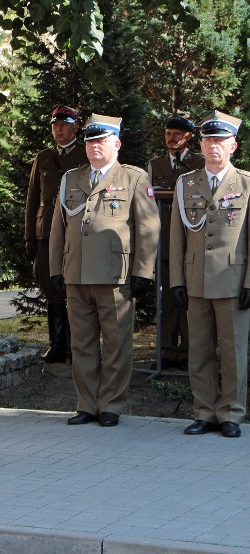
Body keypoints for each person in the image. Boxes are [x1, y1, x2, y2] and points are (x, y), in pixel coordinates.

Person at [49, 114, 159, 427]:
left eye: (102, 141)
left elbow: (149, 227)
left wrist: (144, 272)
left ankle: (111, 404)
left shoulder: (133, 178)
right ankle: (87, 403)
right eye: (90, 141)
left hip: (116, 275)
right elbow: (59, 226)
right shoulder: (71, 178)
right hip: (77, 273)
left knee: (115, 343)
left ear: (117, 143)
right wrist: (56, 268)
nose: (95, 147)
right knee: (80, 344)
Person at [169, 111, 247, 438]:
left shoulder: (246, 184)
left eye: (220, 141)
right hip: (196, 279)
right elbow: (176, 236)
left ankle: (231, 412)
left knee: (233, 354)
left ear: (234, 146)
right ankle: (204, 411)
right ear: (200, 144)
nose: (213, 146)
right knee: (198, 351)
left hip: (232, 280)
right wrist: (176, 279)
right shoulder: (186, 184)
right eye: (208, 140)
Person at [25, 106, 88, 364]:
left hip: (75, 231)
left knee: (74, 289)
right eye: (55, 125)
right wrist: (29, 235)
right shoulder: (43, 157)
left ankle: (76, 347)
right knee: (51, 290)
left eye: (64, 124)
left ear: (75, 127)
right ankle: (57, 345)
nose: (58, 129)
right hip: (46, 231)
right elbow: (32, 199)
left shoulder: (86, 154)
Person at [146, 115, 204, 369]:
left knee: (191, 299)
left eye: (177, 134)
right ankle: (168, 352)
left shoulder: (199, 164)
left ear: (188, 136)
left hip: (193, 240)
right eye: (168, 133)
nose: (171, 138)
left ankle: (190, 352)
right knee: (168, 299)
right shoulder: (155, 165)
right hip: (165, 242)